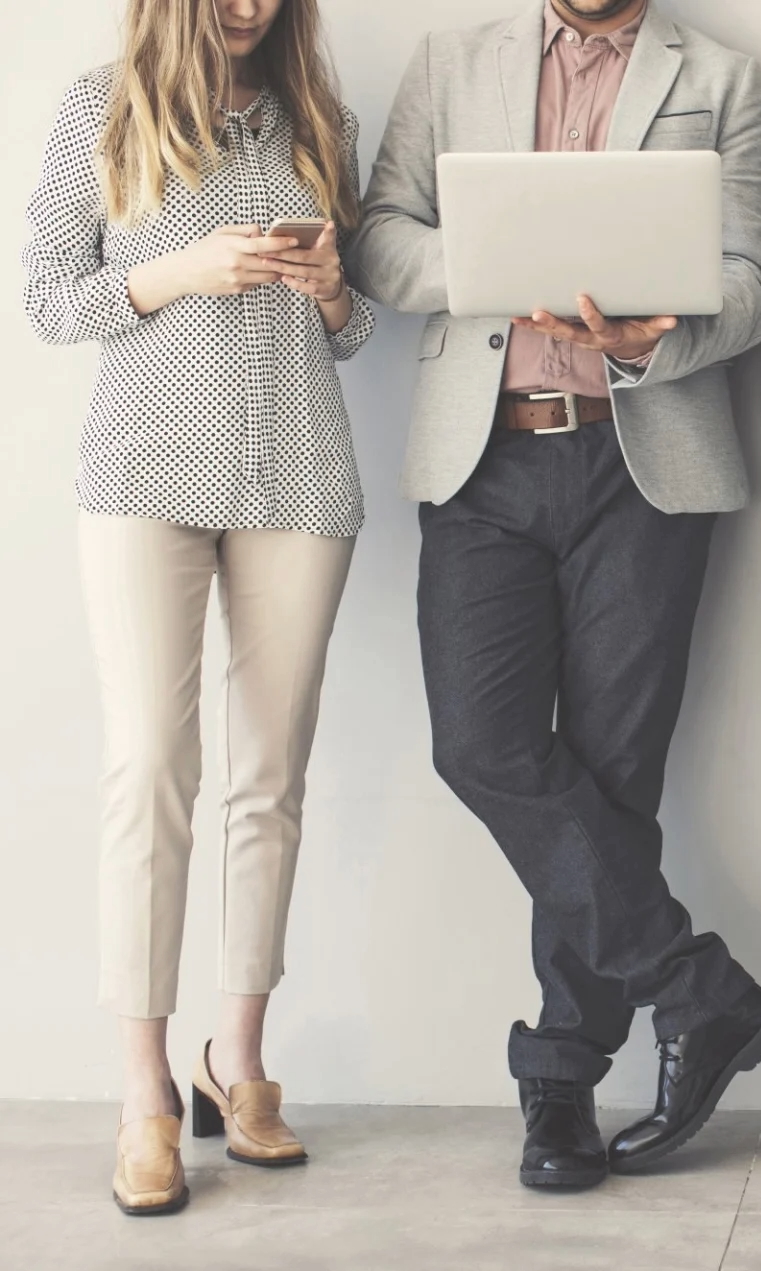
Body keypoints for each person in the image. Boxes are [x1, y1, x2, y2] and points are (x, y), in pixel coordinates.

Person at [348, 0, 761, 1191]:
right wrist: (498, 264)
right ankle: (695, 989)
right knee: (482, 745)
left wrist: (655, 336)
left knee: (610, 774)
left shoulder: (726, 82)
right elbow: (379, 238)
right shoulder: (452, 62)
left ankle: (559, 1084)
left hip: (642, 462)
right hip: (483, 460)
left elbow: (753, 281)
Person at [22, 0, 372, 1218]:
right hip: (143, 480)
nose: (250, 4)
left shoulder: (320, 119)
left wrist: (330, 289)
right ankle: (145, 1095)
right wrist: (183, 269)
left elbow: (358, 327)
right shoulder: (100, 110)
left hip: (297, 473)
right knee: (150, 769)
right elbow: (50, 298)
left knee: (270, 779)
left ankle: (242, 1060)